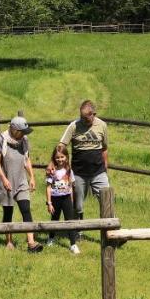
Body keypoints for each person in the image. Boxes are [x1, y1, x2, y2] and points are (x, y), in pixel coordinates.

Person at [60, 100, 109, 245]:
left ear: (94, 114)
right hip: (79, 173)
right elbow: (62, 145)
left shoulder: (102, 125)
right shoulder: (74, 126)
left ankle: (109, 232)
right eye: (81, 117)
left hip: (99, 172)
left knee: (106, 200)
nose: (83, 120)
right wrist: (61, 166)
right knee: (78, 205)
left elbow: (104, 148)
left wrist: (105, 167)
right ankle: (78, 230)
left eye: (86, 118)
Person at [0, 116, 44, 252]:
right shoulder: (1, 140)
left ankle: (31, 243)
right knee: (8, 212)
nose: (24, 134)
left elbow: (27, 160)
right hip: (7, 181)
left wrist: (32, 177)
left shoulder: (24, 140)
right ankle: (9, 241)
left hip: (21, 180)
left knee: (26, 209)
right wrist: (3, 179)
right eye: (22, 131)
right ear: (14, 129)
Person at [44, 142, 79, 254]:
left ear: (66, 157)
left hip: (67, 198)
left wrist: (72, 200)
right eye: (57, 157)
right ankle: (51, 238)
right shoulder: (51, 171)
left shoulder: (69, 170)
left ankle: (73, 244)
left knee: (70, 221)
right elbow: (48, 187)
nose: (60, 159)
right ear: (54, 158)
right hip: (55, 199)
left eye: (62, 157)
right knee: (54, 219)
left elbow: (72, 186)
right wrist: (49, 203)